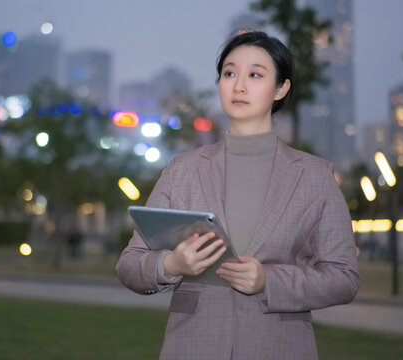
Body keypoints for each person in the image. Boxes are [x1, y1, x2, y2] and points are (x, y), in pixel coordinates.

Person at [115, 30, 359, 360]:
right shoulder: (183, 169)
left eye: (255, 75)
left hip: (279, 347)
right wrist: (171, 264)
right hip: (192, 347)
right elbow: (129, 264)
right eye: (229, 73)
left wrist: (269, 281)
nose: (238, 85)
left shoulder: (315, 176)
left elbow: (343, 277)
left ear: (281, 88)